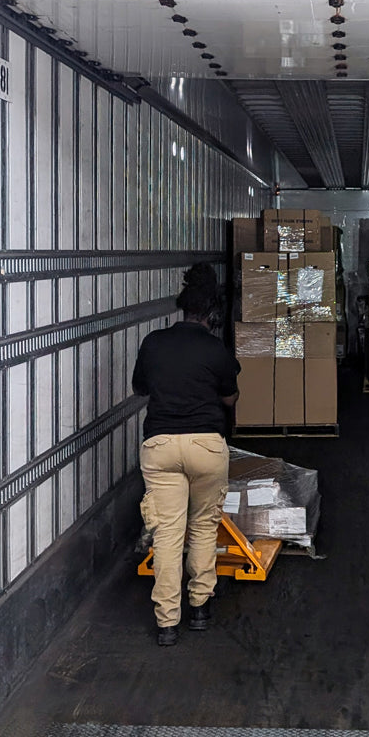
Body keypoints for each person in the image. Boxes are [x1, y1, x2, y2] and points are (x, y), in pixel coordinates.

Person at [131, 263, 240, 646]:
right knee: (203, 526)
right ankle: (199, 607)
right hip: (206, 446)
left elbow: (140, 388)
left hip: (160, 447)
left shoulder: (153, 343)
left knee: (167, 533)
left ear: (181, 306)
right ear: (212, 310)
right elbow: (229, 397)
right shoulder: (216, 349)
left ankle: (167, 624)